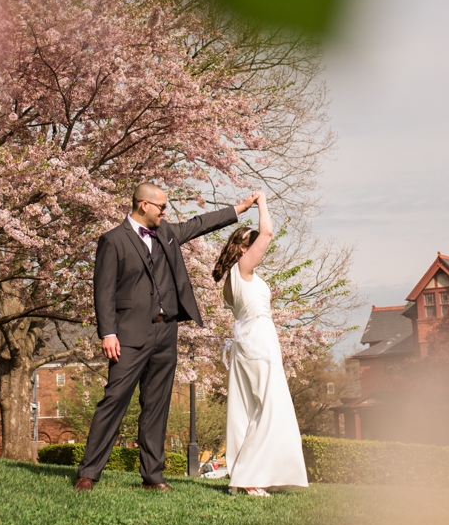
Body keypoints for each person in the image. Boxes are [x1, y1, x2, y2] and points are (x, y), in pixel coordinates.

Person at [74, 183, 261, 491]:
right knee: (114, 400)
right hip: (128, 335)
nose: (165, 211)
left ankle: (152, 477)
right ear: (143, 205)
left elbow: (199, 224)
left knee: (157, 405)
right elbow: (103, 290)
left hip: (166, 331)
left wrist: (238, 210)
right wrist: (107, 332)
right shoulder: (113, 240)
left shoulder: (167, 233)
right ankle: (88, 473)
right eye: (161, 206)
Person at [216, 191, 308, 495]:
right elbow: (267, 232)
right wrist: (262, 203)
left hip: (249, 342)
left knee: (250, 409)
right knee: (268, 407)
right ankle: (249, 478)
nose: (260, 249)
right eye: (253, 244)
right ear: (244, 248)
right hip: (256, 341)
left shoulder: (234, 278)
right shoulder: (241, 270)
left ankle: (249, 475)